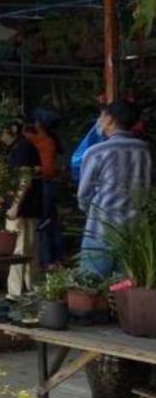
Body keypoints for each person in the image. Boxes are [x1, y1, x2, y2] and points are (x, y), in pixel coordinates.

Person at [78, 100, 152, 278]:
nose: (100, 121)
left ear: (110, 119)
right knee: (124, 288)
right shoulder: (144, 151)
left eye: (102, 116)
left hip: (100, 232)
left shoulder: (96, 152)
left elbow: (83, 195)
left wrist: (96, 212)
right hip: (133, 233)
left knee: (91, 286)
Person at [2, 120, 43, 299]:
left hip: (22, 209)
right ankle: (32, 287)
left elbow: (25, 179)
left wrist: (15, 205)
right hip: (28, 207)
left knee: (18, 249)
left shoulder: (21, 149)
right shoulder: (22, 147)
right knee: (28, 249)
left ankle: (15, 292)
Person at [27, 110, 65, 267]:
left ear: (38, 124)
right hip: (51, 184)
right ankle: (56, 258)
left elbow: (47, 168)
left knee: (43, 224)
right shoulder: (51, 140)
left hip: (43, 185)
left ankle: (46, 260)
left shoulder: (37, 141)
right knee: (52, 223)